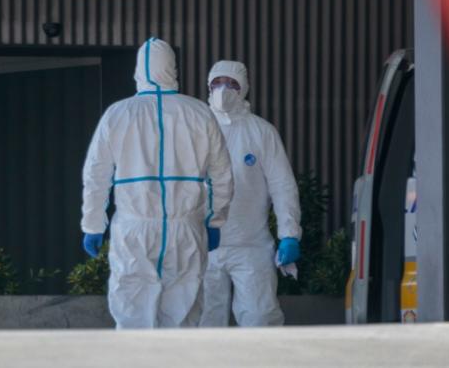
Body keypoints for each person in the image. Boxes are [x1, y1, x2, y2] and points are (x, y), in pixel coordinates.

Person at [80, 37, 234, 329]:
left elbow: (96, 176)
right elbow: (222, 175)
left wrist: (93, 224)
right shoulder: (199, 112)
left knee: (131, 312)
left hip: (134, 229)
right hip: (186, 228)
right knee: (184, 313)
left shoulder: (118, 114)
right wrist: (215, 220)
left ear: (138, 70)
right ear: (173, 68)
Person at [199, 60, 301, 327]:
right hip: (203, 245)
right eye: (217, 83)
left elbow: (282, 185)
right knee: (203, 324)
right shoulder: (196, 129)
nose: (223, 89)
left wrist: (289, 234)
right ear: (208, 87)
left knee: (259, 319)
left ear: (243, 88)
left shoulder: (261, 132)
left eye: (231, 83)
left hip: (251, 245)